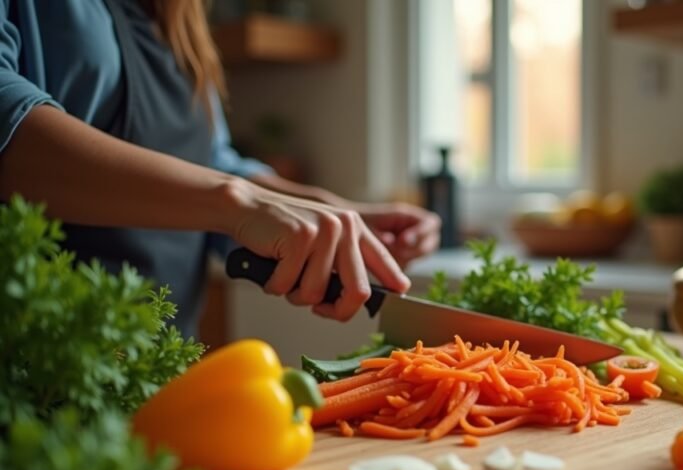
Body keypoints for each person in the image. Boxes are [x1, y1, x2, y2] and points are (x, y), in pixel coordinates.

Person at [0, 0, 440, 338]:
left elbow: (211, 162)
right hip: (40, 363)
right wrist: (238, 202)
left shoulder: (180, 16)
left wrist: (333, 213)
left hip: (159, 364)